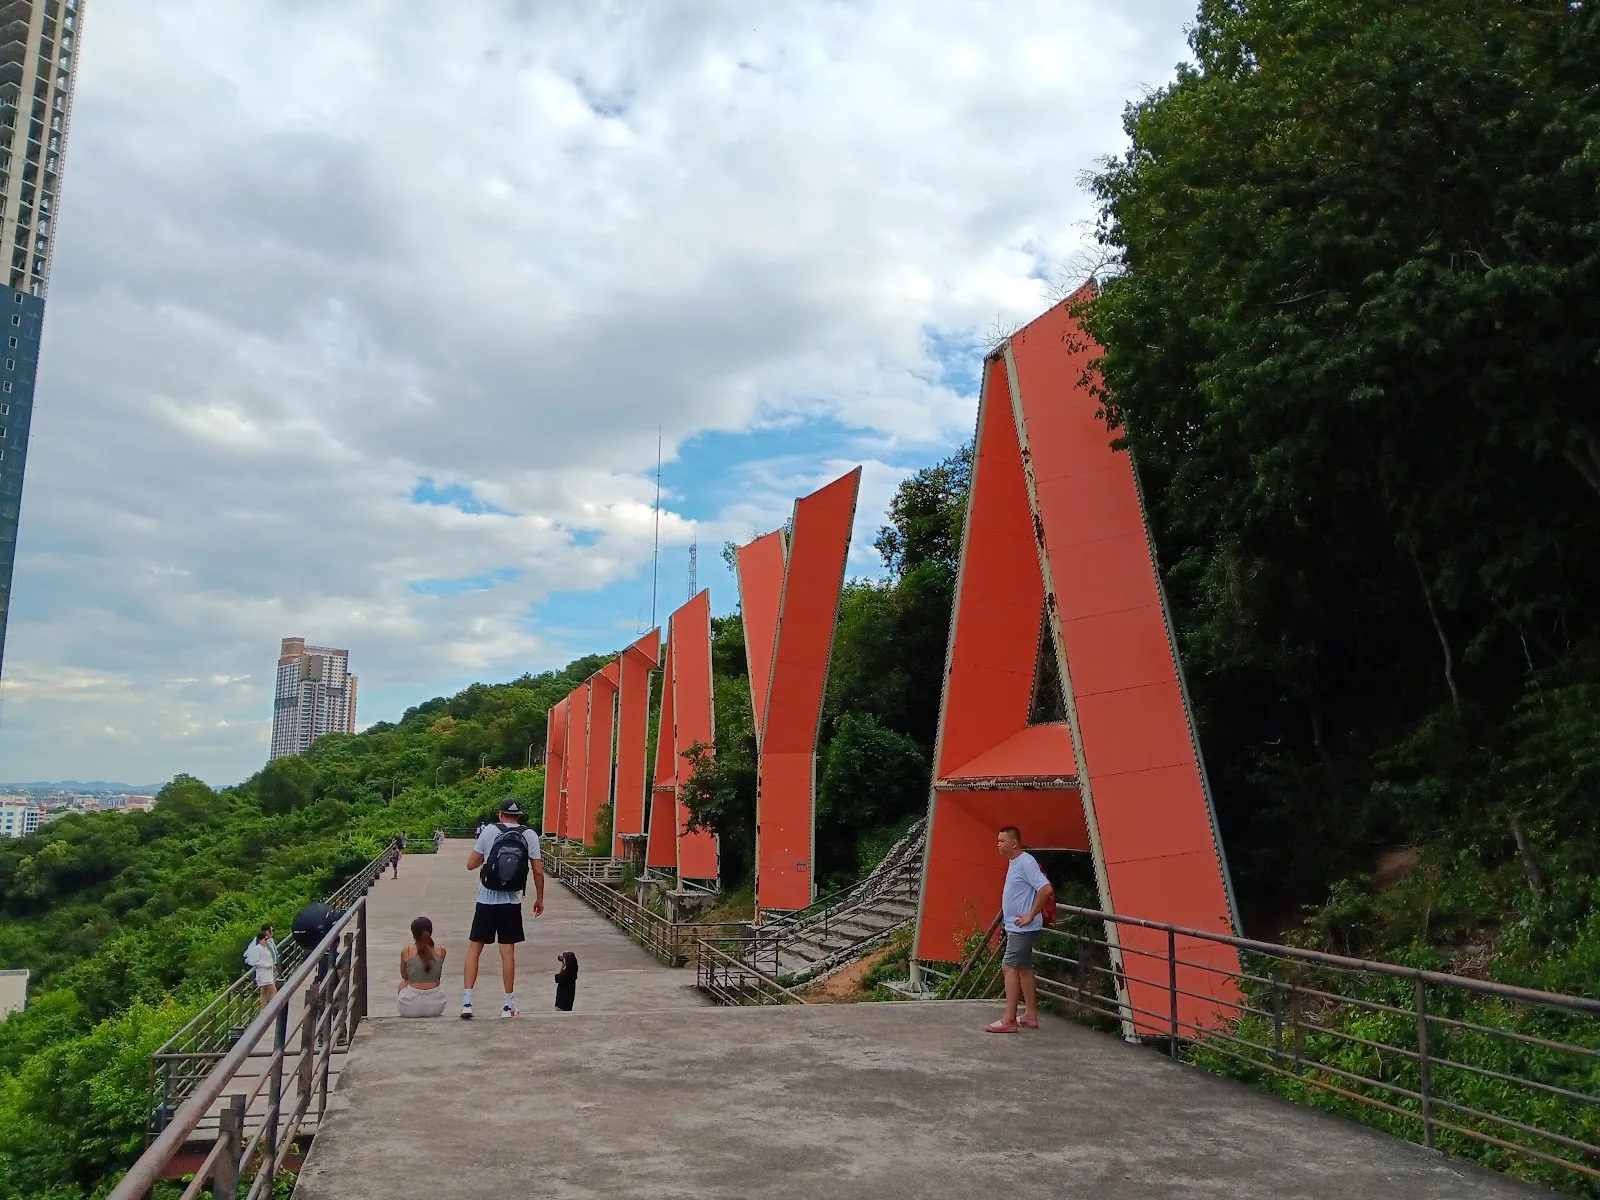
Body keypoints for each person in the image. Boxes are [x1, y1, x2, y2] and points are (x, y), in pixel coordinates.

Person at [462, 800, 545, 1018]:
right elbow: (537, 871)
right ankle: (508, 1005)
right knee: (507, 953)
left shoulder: (489, 831)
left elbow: (471, 864)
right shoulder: (529, 835)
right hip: (512, 903)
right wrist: (540, 899)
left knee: (474, 949)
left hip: (486, 901)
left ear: (500, 814)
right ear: (520, 816)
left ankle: (467, 1002)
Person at [986, 825, 1054, 1034]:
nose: (998, 845)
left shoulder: (1025, 862)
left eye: (1001, 841)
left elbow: (1046, 889)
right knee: (1023, 968)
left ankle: (1009, 1020)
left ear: (1013, 843)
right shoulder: (1015, 862)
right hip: (1017, 927)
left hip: (1022, 928)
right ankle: (1030, 1015)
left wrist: (1031, 915)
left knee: (1009, 967)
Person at [397, 915, 448, 1017]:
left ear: (413, 934)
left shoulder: (406, 951)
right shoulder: (441, 951)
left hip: (409, 1007)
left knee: (403, 983)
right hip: (436, 1007)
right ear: (431, 932)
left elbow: (404, 976)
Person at [244, 924, 278, 1010]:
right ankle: (272, 1009)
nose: (266, 941)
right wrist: (268, 965)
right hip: (264, 973)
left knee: (263, 992)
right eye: (265, 939)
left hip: (267, 972)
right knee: (273, 990)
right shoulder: (257, 948)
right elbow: (254, 961)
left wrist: (272, 965)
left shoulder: (264, 947)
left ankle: (263, 1010)